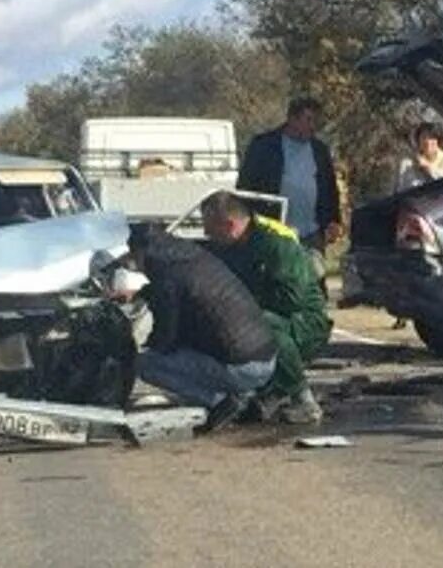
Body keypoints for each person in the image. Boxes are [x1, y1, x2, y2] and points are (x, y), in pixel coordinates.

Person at [113, 223, 279, 432]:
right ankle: (243, 396)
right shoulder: (188, 257)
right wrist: (140, 294)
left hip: (243, 368)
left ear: (136, 250)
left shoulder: (166, 275)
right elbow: (181, 295)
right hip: (265, 358)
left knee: (143, 363)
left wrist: (142, 347)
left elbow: (166, 336)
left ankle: (219, 401)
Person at [201, 191, 333, 425]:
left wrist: (242, 304)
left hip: (304, 322)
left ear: (230, 225)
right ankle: (260, 392)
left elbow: (293, 299)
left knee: (259, 323)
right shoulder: (230, 248)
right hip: (267, 316)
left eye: (210, 228)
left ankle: (304, 399)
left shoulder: (276, 243)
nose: (206, 234)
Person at [238, 97, 344, 281]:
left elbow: (329, 188)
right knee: (279, 282)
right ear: (292, 119)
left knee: (313, 283)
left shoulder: (319, 150)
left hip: (311, 234)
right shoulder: (264, 146)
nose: (313, 126)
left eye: (316, 121)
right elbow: (245, 188)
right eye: (308, 119)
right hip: (276, 231)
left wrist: (333, 221)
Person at [393, 122, 443, 194]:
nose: (428, 142)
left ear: (438, 140)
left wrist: (429, 169)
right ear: (418, 141)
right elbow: (398, 191)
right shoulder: (407, 162)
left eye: (432, 138)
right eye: (424, 138)